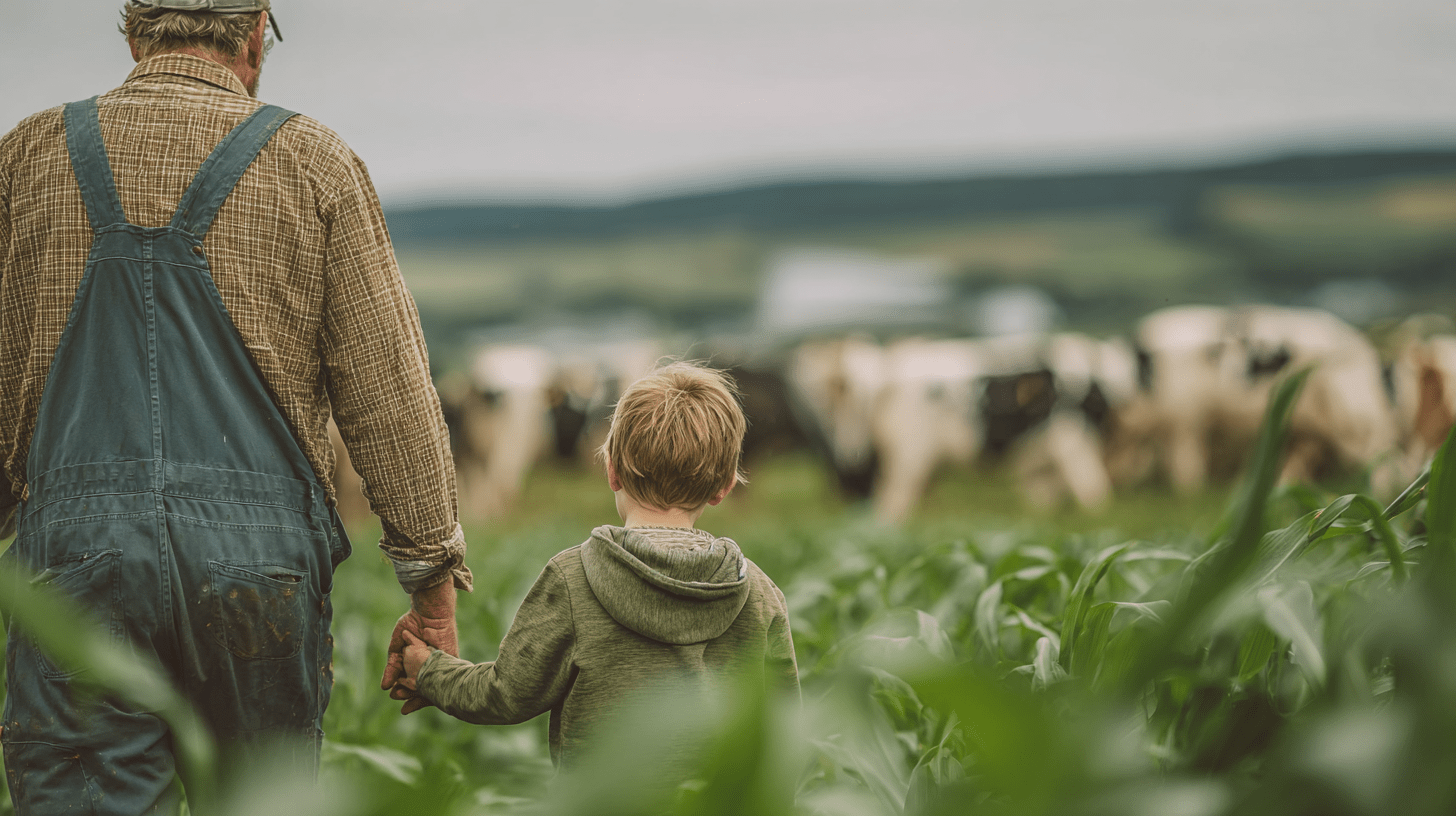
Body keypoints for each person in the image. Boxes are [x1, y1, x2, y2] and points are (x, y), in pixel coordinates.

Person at [0, 1, 469, 811]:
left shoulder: (27, 158)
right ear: (255, 34)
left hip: (76, 566)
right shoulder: (315, 162)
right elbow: (390, 390)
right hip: (259, 576)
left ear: (132, 33)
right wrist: (429, 585)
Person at [396, 361, 799, 772]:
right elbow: (784, 729)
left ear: (612, 471)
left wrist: (428, 670)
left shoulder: (572, 579)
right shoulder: (758, 593)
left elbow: (505, 693)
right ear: (725, 487)